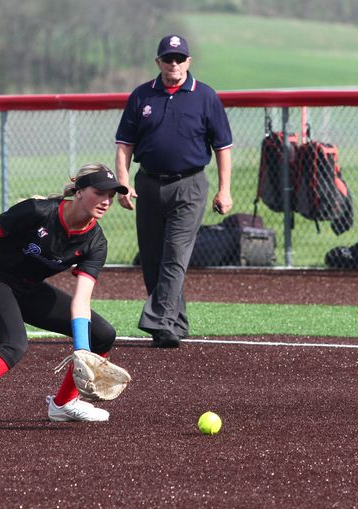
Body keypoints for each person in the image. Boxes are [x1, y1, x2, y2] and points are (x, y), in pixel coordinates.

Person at [0, 163, 128, 433]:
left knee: (102, 334)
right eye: (100, 192)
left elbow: (81, 302)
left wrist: (81, 348)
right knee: (14, 345)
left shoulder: (95, 242)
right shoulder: (37, 211)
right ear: (78, 192)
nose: (106, 201)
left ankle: (63, 405)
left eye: (111, 196)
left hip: (30, 289)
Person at [114, 34, 233, 348]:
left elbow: (222, 147)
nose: (174, 64)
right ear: (159, 62)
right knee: (152, 258)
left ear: (188, 62)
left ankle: (158, 320)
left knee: (175, 254)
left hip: (190, 184)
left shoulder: (204, 96)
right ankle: (174, 323)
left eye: (180, 59)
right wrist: (122, 183)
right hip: (148, 183)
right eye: (168, 58)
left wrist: (225, 191)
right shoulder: (142, 96)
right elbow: (125, 144)